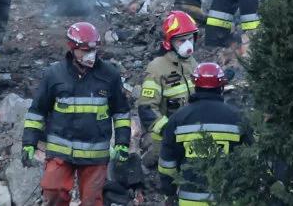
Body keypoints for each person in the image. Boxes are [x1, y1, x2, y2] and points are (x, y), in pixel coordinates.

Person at [22, 21, 132, 206]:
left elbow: (121, 113)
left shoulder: (109, 75)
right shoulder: (54, 75)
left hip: (95, 154)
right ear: (72, 48)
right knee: (53, 192)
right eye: (85, 51)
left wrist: (122, 143)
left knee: (91, 201)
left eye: (94, 50)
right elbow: (37, 111)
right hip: (61, 151)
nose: (91, 56)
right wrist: (29, 143)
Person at [158, 62, 247, 206]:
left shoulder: (178, 119)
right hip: (228, 200)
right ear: (221, 86)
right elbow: (252, 157)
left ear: (195, 85)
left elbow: (167, 164)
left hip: (189, 201)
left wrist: (170, 192)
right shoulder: (237, 117)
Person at [137, 11, 198, 172]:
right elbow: (146, 108)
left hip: (191, 135)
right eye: (182, 40)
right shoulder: (157, 67)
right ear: (169, 42)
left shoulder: (193, 64)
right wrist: (169, 130)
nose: (188, 45)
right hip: (164, 138)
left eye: (190, 39)